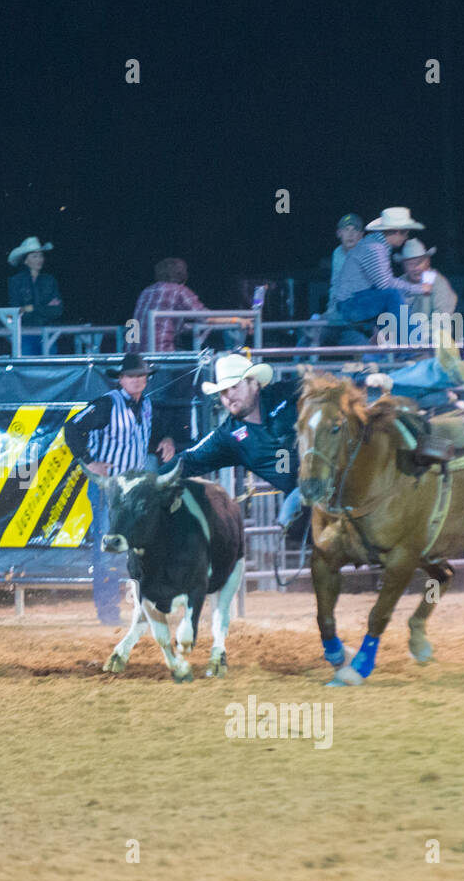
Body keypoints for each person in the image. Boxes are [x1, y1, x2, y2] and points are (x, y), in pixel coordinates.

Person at [64, 352, 176, 625]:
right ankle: (108, 614)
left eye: (141, 376)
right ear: (121, 379)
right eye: (131, 376)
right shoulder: (106, 405)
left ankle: (143, 609)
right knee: (108, 551)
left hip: (135, 490)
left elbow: (144, 438)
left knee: (140, 548)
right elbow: (72, 428)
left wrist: (165, 441)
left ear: (146, 380)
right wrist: (90, 461)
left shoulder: (147, 405)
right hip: (111, 489)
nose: (137, 380)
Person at [159, 353, 309, 534]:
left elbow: (329, 389)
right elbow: (189, 458)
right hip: (305, 493)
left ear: (254, 384)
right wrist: (151, 479)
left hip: (339, 468)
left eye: (234, 387)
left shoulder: (285, 393)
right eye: (223, 391)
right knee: (290, 523)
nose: (229, 396)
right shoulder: (229, 436)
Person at [328, 207, 433, 348]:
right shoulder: (375, 248)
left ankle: (401, 347)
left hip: (357, 301)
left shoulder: (375, 244)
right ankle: (412, 346)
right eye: (405, 233)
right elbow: (385, 284)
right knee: (392, 295)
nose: (406, 237)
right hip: (350, 305)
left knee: (395, 299)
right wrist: (419, 288)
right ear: (396, 231)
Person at [132, 257, 208, 352]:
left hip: (132, 353)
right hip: (158, 351)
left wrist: (185, 326)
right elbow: (204, 316)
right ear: (182, 274)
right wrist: (229, 319)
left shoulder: (147, 291)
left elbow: (160, 323)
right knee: (203, 360)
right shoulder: (179, 290)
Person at [7, 236, 62, 355]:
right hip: (25, 334)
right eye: (35, 256)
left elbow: (57, 310)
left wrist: (31, 308)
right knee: (27, 367)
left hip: (47, 333)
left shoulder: (49, 280)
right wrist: (43, 308)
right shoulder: (16, 281)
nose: (39, 259)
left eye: (41, 255)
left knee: (50, 369)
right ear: (26, 260)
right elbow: (16, 311)